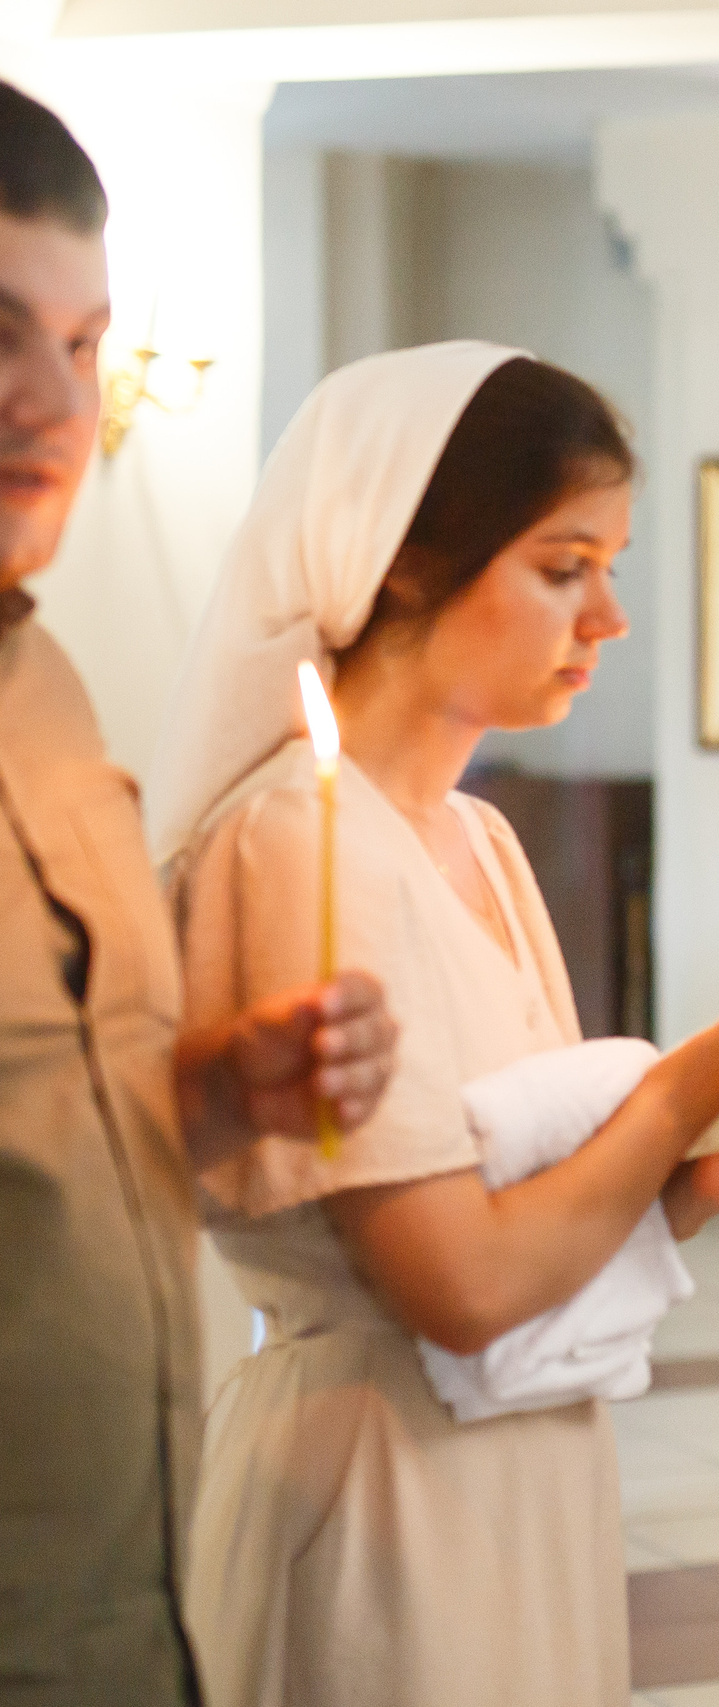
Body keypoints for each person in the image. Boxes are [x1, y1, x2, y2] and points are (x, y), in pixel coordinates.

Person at [150, 342, 719, 1707]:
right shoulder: (298, 835)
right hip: (377, 1485)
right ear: (405, 561)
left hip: (527, 1470)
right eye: (561, 565)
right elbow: (457, 1281)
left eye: (613, 564)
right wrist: (661, 1104)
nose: (609, 617)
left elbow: (539, 1202)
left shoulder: (479, 836)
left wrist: (703, 1177)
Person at [0, 82, 402, 1706]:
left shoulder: (55, 693)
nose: (53, 401)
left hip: (119, 1604)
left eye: (88, 345)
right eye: (0, 331)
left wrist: (221, 1093)